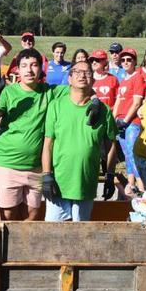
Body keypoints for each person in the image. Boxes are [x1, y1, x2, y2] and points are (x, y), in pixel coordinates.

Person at [0, 48, 65, 221]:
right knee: (8, 215)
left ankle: (24, 248)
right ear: (17, 69)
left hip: (36, 167)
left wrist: (94, 99)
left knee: (32, 215)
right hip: (8, 163)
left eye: (34, 65)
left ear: (41, 68)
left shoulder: (49, 92)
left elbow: (78, 90)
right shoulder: (9, 92)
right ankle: (5, 248)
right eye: (24, 65)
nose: (29, 70)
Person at [42, 61, 118, 221]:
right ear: (69, 78)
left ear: (93, 80)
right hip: (59, 183)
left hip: (86, 182)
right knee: (52, 235)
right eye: (77, 72)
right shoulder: (56, 106)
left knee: (81, 235)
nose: (82, 75)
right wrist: (46, 175)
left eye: (87, 72)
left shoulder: (104, 111)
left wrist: (110, 175)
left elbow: (110, 146)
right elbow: (48, 144)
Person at [112, 50, 145, 196]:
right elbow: (118, 101)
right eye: (123, 59)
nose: (125, 62)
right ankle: (131, 185)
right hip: (120, 121)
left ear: (135, 62)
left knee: (133, 153)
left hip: (131, 122)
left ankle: (142, 187)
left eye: (129, 59)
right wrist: (113, 120)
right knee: (127, 155)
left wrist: (125, 121)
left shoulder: (138, 77)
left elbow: (137, 103)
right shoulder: (124, 79)